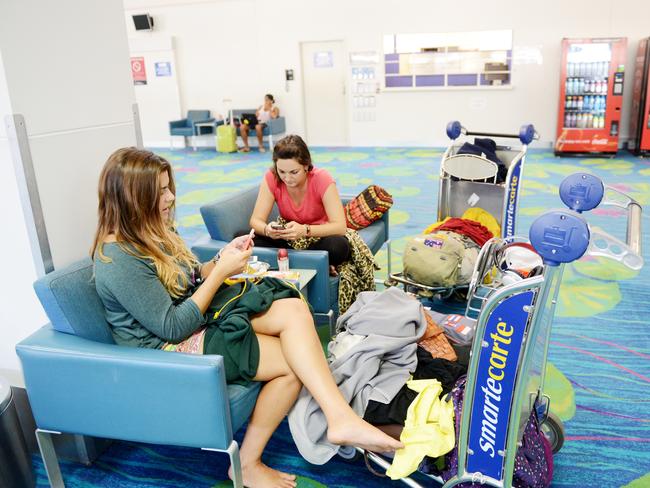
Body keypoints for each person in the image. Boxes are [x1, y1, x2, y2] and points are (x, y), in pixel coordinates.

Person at [91, 147, 402, 488]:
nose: (170, 197)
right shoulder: (119, 258)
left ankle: (338, 416)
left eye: (168, 187)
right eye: (161, 191)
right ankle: (248, 462)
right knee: (290, 362)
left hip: (195, 318)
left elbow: (188, 278)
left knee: (293, 307)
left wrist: (220, 261)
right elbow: (172, 326)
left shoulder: (151, 230)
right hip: (167, 347)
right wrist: (218, 273)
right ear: (134, 198)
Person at [249, 134, 350, 276]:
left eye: (294, 172)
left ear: (306, 166)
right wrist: (267, 230)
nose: (287, 178)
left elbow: (340, 227)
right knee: (246, 239)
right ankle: (313, 263)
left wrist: (304, 230)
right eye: (282, 171)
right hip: (288, 238)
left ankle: (298, 261)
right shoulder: (272, 177)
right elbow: (255, 221)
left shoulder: (322, 178)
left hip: (319, 237)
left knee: (338, 246)